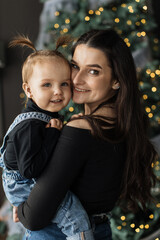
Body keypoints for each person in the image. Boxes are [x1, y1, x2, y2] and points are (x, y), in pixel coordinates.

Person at [16, 29, 157, 240]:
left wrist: (21, 208)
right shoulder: (123, 122)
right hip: (100, 230)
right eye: (74, 66)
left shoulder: (81, 129)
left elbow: (33, 217)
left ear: (116, 80)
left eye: (93, 71)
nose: (77, 79)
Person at [0, 35, 95, 240]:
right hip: (26, 185)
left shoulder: (45, 117)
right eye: (47, 85)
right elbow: (31, 169)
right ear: (28, 90)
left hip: (30, 187)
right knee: (77, 219)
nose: (57, 91)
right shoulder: (31, 127)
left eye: (64, 84)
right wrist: (54, 134)